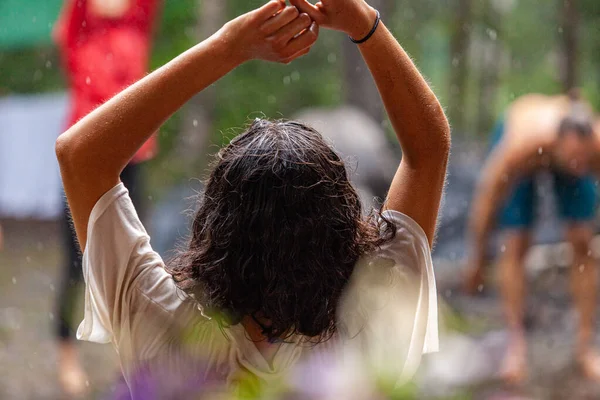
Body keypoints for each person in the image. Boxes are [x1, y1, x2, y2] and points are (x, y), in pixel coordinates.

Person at [56, 0, 450, 397]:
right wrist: (364, 24)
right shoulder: (375, 319)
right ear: (344, 230)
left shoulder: (164, 325)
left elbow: (80, 156)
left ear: (213, 227)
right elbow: (428, 150)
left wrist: (227, 47)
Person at [52, 0, 160, 395]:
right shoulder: (81, 21)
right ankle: (66, 354)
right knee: (76, 262)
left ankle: (127, 357)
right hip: (84, 152)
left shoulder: (139, 14)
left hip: (133, 152)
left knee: (134, 259)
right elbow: (65, 32)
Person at [464, 92, 600, 383]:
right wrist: (477, 259)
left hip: (573, 143)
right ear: (557, 145)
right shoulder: (521, 147)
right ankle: (515, 346)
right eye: (573, 159)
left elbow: (580, 165)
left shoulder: (593, 148)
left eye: (583, 161)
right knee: (516, 241)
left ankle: (584, 347)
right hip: (522, 139)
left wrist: (578, 162)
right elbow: (487, 200)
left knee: (582, 242)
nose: (579, 166)